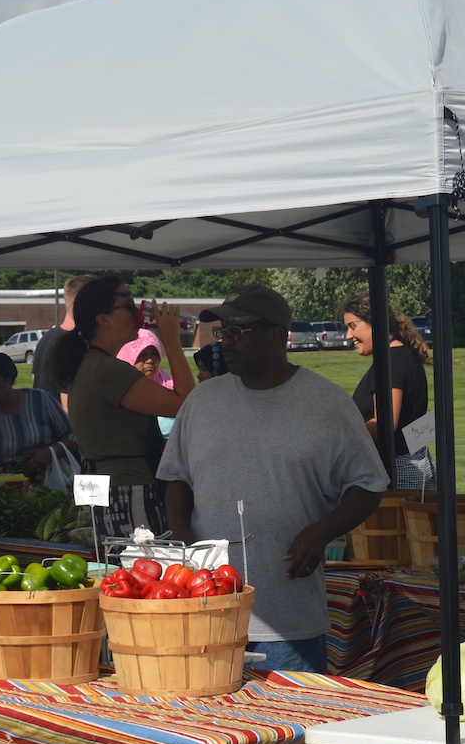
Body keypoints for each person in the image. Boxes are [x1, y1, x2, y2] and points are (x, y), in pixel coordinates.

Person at [161, 286, 388, 673]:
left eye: (238, 332)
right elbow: (177, 477)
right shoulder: (202, 402)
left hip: (288, 621)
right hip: (205, 613)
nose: (225, 342)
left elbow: (368, 484)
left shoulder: (327, 404)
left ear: (275, 336)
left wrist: (321, 532)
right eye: (223, 332)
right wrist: (182, 534)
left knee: (290, 730)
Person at [46, 275, 194, 537]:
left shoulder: (90, 363)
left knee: (118, 569)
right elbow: (187, 405)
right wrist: (171, 340)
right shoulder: (107, 370)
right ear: (103, 319)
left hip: (104, 484)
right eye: (128, 305)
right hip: (127, 488)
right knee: (143, 568)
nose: (137, 313)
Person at [342, 292, 434, 488]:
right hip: (413, 465)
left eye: (353, 326)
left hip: (397, 472)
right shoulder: (404, 355)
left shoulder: (389, 362)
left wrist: (340, 438)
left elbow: (384, 423)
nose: (348, 335)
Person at [0, 352, 76, 489]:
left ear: (8, 380)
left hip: (51, 489)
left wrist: (51, 452)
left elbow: (73, 436)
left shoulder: (41, 400)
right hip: (5, 497)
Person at [32, 273, 94, 411]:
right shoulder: (75, 344)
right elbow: (69, 408)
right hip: (65, 430)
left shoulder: (46, 339)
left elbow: (35, 381)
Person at [118, 329, 177, 437]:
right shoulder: (119, 390)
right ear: (128, 357)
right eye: (142, 354)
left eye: (154, 354)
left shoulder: (171, 385)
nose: (149, 360)